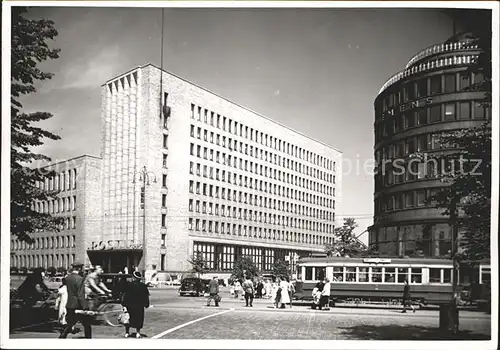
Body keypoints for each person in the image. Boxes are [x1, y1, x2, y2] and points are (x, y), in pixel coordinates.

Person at [59, 262, 92, 339]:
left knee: (70, 323)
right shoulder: (80, 279)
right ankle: (89, 340)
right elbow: (80, 295)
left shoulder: (68, 278)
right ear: (80, 268)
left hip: (70, 304)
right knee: (87, 324)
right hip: (78, 305)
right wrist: (85, 306)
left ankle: (61, 337)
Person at [122, 271, 150, 338]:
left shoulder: (129, 285)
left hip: (130, 305)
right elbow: (146, 296)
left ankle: (127, 332)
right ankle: (138, 333)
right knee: (139, 319)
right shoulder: (143, 286)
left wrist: (124, 305)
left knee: (128, 319)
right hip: (139, 306)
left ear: (133, 277)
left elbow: (125, 296)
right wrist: (146, 304)